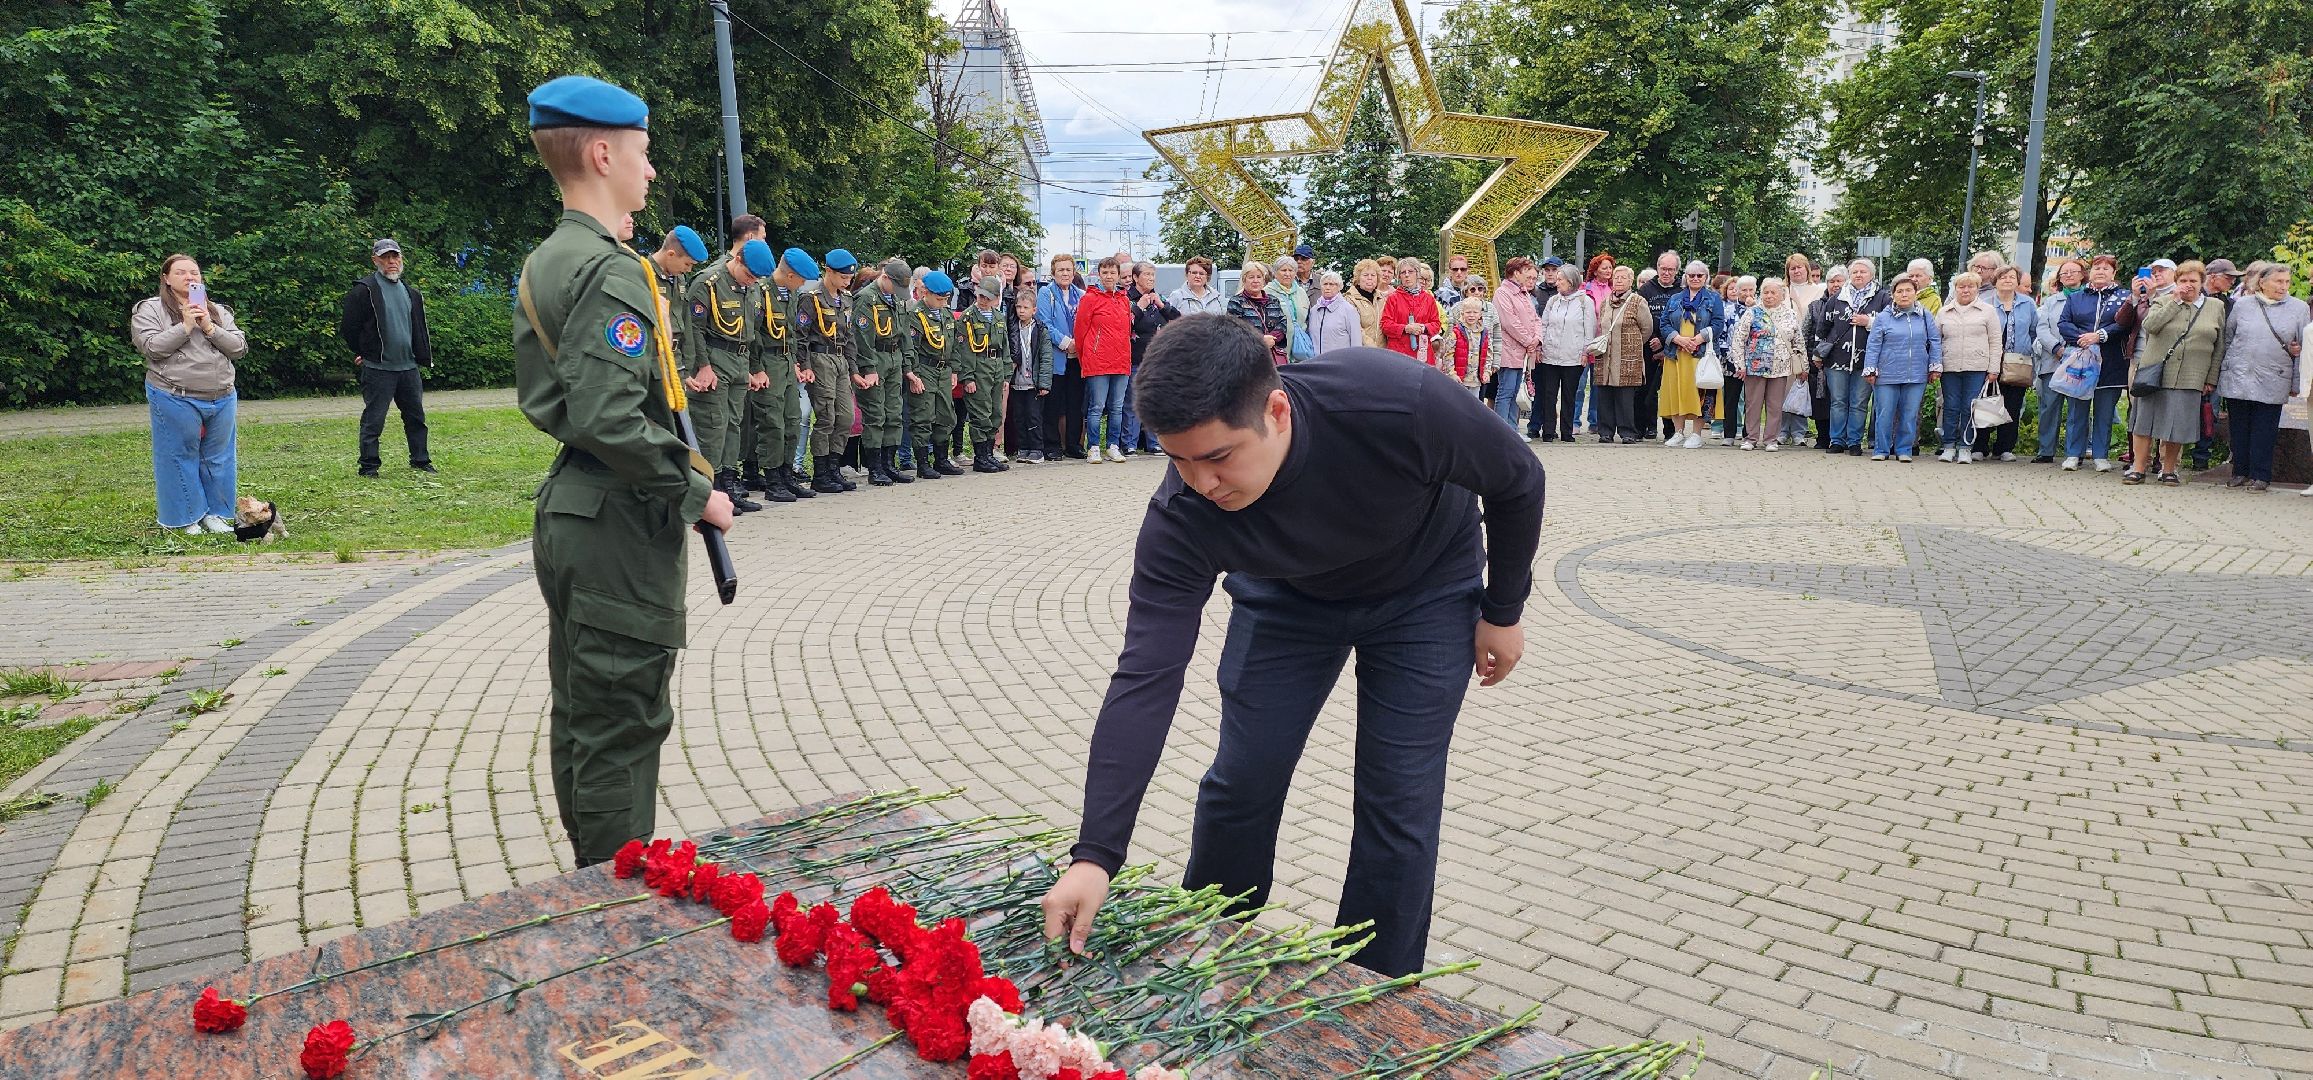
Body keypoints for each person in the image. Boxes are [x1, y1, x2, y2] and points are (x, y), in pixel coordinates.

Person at [1036, 315, 1545, 977]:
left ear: (1275, 410)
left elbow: (1517, 478)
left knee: (1397, 801)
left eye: (1218, 457)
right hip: (1284, 602)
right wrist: (1094, 855)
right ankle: (1211, 953)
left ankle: (1371, 989)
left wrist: (1502, 610)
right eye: (1177, 460)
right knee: (1242, 781)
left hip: (1424, 595)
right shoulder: (1183, 518)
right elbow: (1145, 675)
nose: (1201, 483)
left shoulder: (1394, 403)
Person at [511, 76, 733, 867]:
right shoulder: (611, 269)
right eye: (642, 155)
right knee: (621, 724)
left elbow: (551, 399)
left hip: (579, 509)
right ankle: (615, 905)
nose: (649, 172)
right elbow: (610, 414)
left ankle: (591, 885)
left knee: (585, 715)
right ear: (602, 153)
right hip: (617, 518)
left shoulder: (549, 258)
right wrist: (696, 490)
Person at [132, 254, 249, 536]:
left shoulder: (218, 310)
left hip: (221, 395)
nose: (189, 277)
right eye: (181, 272)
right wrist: (184, 326)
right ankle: (184, 518)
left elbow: (238, 348)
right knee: (179, 455)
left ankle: (217, 515)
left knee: (219, 457)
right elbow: (151, 348)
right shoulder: (150, 309)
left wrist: (208, 326)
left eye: (194, 272)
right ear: (166, 279)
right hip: (174, 394)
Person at [334, 237, 439, 478]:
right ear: (375, 260)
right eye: (385, 257)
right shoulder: (364, 290)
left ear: (401, 259)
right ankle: (369, 467)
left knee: (416, 418)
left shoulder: (412, 293)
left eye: (395, 256)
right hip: (378, 368)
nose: (391, 262)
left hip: (408, 367)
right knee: (374, 421)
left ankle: (421, 461)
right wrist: (361, 352)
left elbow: (419, 330)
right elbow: (349, 328)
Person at [684, 236, 774, 513]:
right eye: (749, 274)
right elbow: (693, 329)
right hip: (713, 359)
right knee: (713, 425)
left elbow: (753, 332)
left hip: (739, 360)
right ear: (737, 260)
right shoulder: (708, 283)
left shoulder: (754, 288)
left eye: (756, 278)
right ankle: (707, 490)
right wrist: (702, 366)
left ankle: (728, 484)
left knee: (734, 425)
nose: (751, 281)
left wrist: (753, 368)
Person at [2123, 261, 2225, 486]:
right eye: (2183, 281)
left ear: (2202, 283)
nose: (2188, 285)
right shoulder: (2162, 300)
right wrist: (2175, 300)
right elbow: (2151, 325)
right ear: (2176, 282)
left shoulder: (2215, 307)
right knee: (2144, 421)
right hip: (2156, 371)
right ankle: (2138, 468)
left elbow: (2219, 346)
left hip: (2191, 374)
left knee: (2176, 424)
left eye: (2193, 281)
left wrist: (2211, 378)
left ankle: (2169, 470)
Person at [2217, 262, 2307, 492]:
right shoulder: (2243, 305)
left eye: (2286, 282)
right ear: (2262, 282)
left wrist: (2297, 383)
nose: (2283, 286)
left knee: (2265, 429)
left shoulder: (2298, 308)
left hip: (2274, 376)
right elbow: (2229, 338)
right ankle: (2240, 472)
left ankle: (2261, 476)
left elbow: (2304, 349)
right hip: (2239, 374)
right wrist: (2225, 369)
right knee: (2238, 428)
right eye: (2278, 281)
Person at [2058, 255, 2132, 472]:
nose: (2101, 271)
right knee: (2076, 411)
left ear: (2114, 273)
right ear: (2090, 272)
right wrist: (2084, 338)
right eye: (2097, 268)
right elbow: (2063, 323)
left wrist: (2099, 335)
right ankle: (2073, 454)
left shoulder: (2124, 297)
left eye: (2106, 268)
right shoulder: (2077, 297)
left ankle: (2101, 455)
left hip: (2111, 362)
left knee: (2104, 411)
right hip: (2080, 361)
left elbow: (2124, 324)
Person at [1864, 276, 1943, 462]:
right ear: (1893, 295)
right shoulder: (1883, 317)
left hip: (1916, 374)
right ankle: (1881, 450)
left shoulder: (1925, 316)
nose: (1904, 294)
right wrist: (1870, 368)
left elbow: (1934, 341)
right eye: (1899, 291)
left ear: (1916, 293)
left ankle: (1904, 450)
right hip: (1887, 374)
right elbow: (1873, 344)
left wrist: (1935, 365)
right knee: (1885, 414)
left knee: (1909, 414)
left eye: (1908, 290)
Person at [852, 257, 914, 486]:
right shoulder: (866, 299)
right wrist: (868, 368)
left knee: (894, 413)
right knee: (875, 414)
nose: (899, 292)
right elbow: (861, 338)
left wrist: (907, 366)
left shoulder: (895, 298)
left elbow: (904, 334)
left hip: (894, 358)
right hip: (875, 359)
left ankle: (889, 463)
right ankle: (875, 467)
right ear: (885, 277)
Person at [1931, 272, 1999, 462]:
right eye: (1961, 286)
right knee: (1950, 406)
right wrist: (1935, 365)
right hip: (1949, 366)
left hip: (1977, 367)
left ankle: (1966, 447)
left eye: (1970, 286)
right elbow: (1936, 340)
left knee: (1970, 407)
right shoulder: (1945, 311)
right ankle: (1948, 446)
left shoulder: (1987, 311)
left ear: (1977, 289)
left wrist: (1994, 368)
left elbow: (1995, 341)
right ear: (1955, 289)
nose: (1966, 290)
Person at [1075, 257, 1134, 463]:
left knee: (1117, 407)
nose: (1109, 277)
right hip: (1097, 360)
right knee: (1097, 407)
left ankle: (1112, 445)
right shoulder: (1090, 299)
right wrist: (1086, 358)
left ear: (1118, 275)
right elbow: (1080, 331)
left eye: (1112, 273)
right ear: (1099, 274)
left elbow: (1127, 331)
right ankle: (1093, 447)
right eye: (1105, 273)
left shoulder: (1124, 299)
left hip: (1121, 360)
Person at [907, 271, 964, 479]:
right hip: (925, 369)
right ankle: (923, 463)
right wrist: (912, 374)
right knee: (923, 416)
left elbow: (955, 345)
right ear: (926, 293)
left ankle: (941, 460)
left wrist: (954, 370)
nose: (943, 303)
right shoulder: (916, 315)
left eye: (946, 299)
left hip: (944, 370)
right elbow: (910, 347)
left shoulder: (947, 315)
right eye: (939, 299)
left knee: (947, 416)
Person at [1656, 262, 1720, 448]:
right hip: (1677, 352)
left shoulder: (1713, 299)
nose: (1695, 278)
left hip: (1700, 353)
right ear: (1686, 277)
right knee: (1676, 392)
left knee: (1700, 391)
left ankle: (1697, 434)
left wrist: (1699, 339)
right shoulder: (1675, 298)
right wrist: (1678, 339)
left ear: (1706, 277)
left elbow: (1718, 323)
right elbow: (1664, 323)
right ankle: (1678, 432)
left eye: (1700, 275)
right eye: (1691, 275)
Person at [1737, 277, 1803, 452]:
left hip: (1780, 367)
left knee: (1775, 405)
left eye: (1773, 292)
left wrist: (1803, 365)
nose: (1769, 296)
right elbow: (1739, 339)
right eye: (1766, 292)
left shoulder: (1789, 314)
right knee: (1753, 403)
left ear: (1782, 295)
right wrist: (1740, 364)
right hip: (1755, 366)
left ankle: (1771, 439)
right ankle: (1750, 438)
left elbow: (1798, 341)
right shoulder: (1753, 312)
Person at [2032, 259, 2086, 464]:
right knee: (2049, 406)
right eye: (2064, 273)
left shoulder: (2089, 299)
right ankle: (2046, 450)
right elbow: (2042, 328)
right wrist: (2056, 348)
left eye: (2074, 272)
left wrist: (2075, 348)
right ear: (2059, 279)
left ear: (2082, 275)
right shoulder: (2051, 302)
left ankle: (2075, 452)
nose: (2069, 276)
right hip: (2053, 359)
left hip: (2080, 360)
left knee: (2077, 408)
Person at [959, 273, 1014, 472]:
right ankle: (980, 457)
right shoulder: (968, 317)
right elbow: (964, 350)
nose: (982, 300)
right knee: (980, 414)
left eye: (987, 297)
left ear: (996, 299)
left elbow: (1005, 347)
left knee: (995, 414)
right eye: (980, 296)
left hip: (996, 368)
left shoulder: (999, 317)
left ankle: (989, 454)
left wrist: (1007, 374)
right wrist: (968, 377)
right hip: (978, 368)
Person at [1125, 260, 1180, 453]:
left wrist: (1161, 305)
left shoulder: (1158, 297)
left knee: (1155, 402)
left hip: (1157, 360)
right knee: (1132, 404)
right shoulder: (1127, 298)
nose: (1150, 278)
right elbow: (1124, 325)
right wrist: (1138, 308)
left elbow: (1178, 319)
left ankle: (1154, 443)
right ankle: (1129, 444)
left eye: (1152, 275)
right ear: (1135, 277)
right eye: (1146, 275)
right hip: (1134, 358)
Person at [1981, 266, 2036, 462]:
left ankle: (2005, 447)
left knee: (2012, 405)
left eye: (2012, 277)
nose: (2007, 280)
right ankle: (1980, 446)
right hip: (1990, 360)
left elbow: (2033, 331)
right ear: (1995, 280)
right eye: (2003, 277)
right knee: (1987, 402)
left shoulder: (2027, 304)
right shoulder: (1984, 302)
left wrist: (2028, 351)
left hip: (2017, 361)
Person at [1532, 265, 1593, 441]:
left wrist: (1584, 353)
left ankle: (1567, 432)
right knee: (1548, 395)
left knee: (1569, 395)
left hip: (1573, 357)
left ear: (1571, 282)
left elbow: (1589, 330)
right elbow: (1543, 325)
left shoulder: (1584, 302)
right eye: (1557, 279)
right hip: (1550, 355)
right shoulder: (1553, 301)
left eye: (1561, 280)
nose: (1557, 283)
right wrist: (1540, 347)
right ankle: (1548, 431)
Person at [1038, 254, 1088, 460]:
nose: (1065, 273)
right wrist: (1066, 343)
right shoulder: (1046, 293)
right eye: (1061, 270)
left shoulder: (1082, 295)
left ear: (1074, 271)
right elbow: (1044, 322)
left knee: (1075, 403)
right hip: (1056, 355)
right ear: (1053, 272)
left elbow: (1087, 322)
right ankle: (1052, 445)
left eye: (1068, 269)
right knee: (1053, 403)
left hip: (1077, 357)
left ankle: (1073, 445)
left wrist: (1079, 343)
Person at [1594, 266, 1649, 444]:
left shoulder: (1637, 301)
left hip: (1628, 356)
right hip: (1606, 356)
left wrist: (1632, 343)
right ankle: (1605, 432)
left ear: (1630, 281)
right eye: (1616, 277)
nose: (1618, 280)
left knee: (1625, 397)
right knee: (1605, 394)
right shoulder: (1605, 302)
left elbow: (1647, 329)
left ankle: (1627, 432)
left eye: (1623, 277)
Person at [1489, 257, 1542, 430]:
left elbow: (1535, 318)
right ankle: (1502, 430)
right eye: (1526, 271)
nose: (1529, 276)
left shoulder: (1524, 292)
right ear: (1516, 272)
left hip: (1524, 352)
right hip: (1509, 350)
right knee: (1506, 391)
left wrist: (1536, 339)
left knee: (1517, 393)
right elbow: (1509, 322)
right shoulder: (1502, 293)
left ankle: (1513, 428)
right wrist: (1529, 341)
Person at [1637, 251, 1682, 440]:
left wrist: (1665, 343)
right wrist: (1653, 340)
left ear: (1677, 271)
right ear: (1657, 268)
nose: (1666, 273)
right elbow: (1639, 318)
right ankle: (1643, 427)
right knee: (1644, 390)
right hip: (1648, 346)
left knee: (1670, 391)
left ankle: (1671, 430)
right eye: (1663, 269)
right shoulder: (1646, 290)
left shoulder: (1682, 291)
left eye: (1671, 270)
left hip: (1674, 347)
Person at [1004, 286, 1051, 463]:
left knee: (1034, 416)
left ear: (1034, 310)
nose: (1021, 311)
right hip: (1016, 381)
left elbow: (1046, 358)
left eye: (1025, 307)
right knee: (1019, 417)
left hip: (1033, 383)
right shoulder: (1012, 329)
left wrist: (1045, 384)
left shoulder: (1040, 329)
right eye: (1018, 307)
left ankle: (1037, 449)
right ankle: (1023, 448)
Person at [1714, 275, 1755, 444]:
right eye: (1743, 290)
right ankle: (1729, 434)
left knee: (1751, 400)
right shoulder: (1727, 309)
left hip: (1754, 362)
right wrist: (1729, 358)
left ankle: (1748, 434)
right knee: (1731, 399)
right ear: (1737, 291)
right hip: (1731, 361)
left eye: (1750, 290)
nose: (1747, 293)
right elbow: (1721, 335)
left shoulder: (1759, 308)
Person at [1228, 261, 1290, 366]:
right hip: (1248, 357)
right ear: (1244, 280)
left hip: (1272, 357)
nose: (1255, 281)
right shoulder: (1236, 302)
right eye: (1251, 277)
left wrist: (1272, 339)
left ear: (1264, 280)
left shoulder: (1273, 300)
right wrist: (1261, 340)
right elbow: (1233, 329)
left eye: (1259, 277)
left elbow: (1283, 322)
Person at [1381, 259, 1440, 363]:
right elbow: (1385, 325)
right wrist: (1405, 328)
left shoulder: (1428, 299)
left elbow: (1436, 324)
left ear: (1417, 274)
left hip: (1423, 353)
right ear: (1399, 276)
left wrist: (1423, 328)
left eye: (1410, 271)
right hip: (1399, 353)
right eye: (1403, 272)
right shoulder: (1393, 298)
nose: (1407, 275)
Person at [1305, 270, 1360, 358]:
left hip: (1339, 363)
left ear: (1339, 287)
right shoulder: (1314, 310)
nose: (1327, 287)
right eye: (1325, 284)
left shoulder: (1349, 310)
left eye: (1331, 284)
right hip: (1316, 363)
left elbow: (1356, 341)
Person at [1272, 257, 1310, 361]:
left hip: (1300, 346)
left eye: (1291, 270)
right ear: (1275, 272)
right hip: (1278, 347)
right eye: (1284, 270)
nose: (1287, 274)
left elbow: (1307, 318)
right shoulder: (1268, 292)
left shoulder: (1301, 292)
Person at [1449, 297, 1489, 390]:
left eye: (1475, 312)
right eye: (1468, 312)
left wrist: (1487, 371)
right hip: (1459, 379)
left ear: (1480, 314)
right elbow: (1448, 354)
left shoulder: (1484, 333)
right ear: (1462, 313)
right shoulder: (1456, 332)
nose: (1471, 315)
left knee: (1474, 403)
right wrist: (1452, 373)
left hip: (1476, 380)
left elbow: (1487, 354)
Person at [1346, 259, 1388, 347]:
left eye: (1373, 275)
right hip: (1362, 351)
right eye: (1365, 275)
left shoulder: (1382, 299)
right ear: (1358, 278)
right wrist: (1372, 347)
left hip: (1383, 350)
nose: (1370, 278)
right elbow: (1356, 328)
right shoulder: (1350, 300)